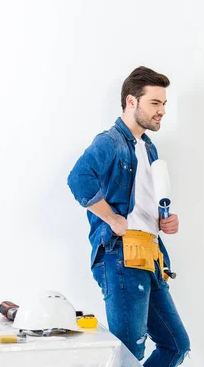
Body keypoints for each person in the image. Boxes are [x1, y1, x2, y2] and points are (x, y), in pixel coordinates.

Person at [67, 66, 190, 366]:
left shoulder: (148, 148)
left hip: (151, 255)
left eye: (164, 104)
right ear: (131, 102)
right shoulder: (111, 141)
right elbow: (79, 179)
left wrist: (164, 220)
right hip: (122, 257)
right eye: (155, 103)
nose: (161, 111)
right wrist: (111, 218)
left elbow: (142, 202)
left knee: (175, 345)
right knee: (128, 354)